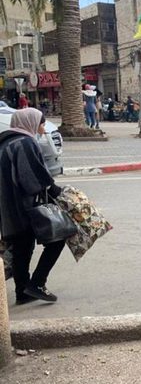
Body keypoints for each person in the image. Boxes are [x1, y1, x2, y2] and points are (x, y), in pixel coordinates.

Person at [0, 108, 64, 303]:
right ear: (31, 123)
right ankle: (36, 283)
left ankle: (22, 292)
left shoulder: (6, 142)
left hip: (8, 208)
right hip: (23, 207)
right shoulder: (24, 142)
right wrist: (55, 191)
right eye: (41, 124)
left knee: (22, 249)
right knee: (58, 238)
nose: (43, 128)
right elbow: (32, 177)